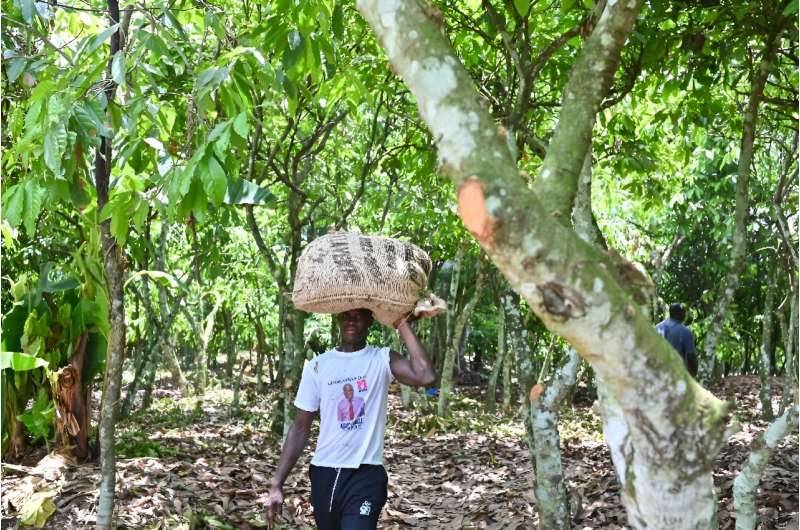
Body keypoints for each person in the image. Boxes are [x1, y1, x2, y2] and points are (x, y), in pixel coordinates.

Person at [266, 308, 436, 530]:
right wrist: (277, 484)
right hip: (324, 472)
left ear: (370, 321)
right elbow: (300, 427)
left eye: (358, 316)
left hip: (366, 475)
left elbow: (425, 375)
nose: (351, 321)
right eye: (345, 315)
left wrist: (401, 323)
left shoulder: (381, 359)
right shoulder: (318, 365)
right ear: (338, 319)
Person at [656, 303, 698, 377]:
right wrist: (693, 374)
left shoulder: (657, 327)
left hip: (657, 371)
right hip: (676, 373)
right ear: (682, 315)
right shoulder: (685, 332)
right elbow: (691, 356)